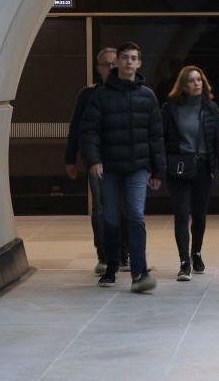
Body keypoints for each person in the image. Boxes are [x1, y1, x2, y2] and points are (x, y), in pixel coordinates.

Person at [81, 42, 165, 292]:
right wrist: (94, 160)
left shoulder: (148, 96)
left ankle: (140, 271)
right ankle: (111, 267)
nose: (129, 62)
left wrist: (158, 171)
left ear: (139, 63)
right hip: (109, 168)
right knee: (110, 218)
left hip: (137, 167)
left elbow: (156, 136)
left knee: (136, 216)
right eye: (125, 58)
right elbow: (90, 132)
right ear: (117, 62)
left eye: (134, 58)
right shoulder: (101, 95)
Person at [64, 47, 131, 275]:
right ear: (99, 68)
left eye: (116, 64)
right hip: (97, 159)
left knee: (126, 207)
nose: (112, 68)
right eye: (107, 65)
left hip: (124, 158)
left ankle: (123, 254)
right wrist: (70, 159)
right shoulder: (88, 95)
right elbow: (77, 129)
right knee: (101, 207)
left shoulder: (129, 92)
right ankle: (103, 254)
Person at [162, 66, 219, 281]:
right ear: (183, 85)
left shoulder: (211, 108)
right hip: (179, 166)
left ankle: (197, 253)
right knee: (182, 214)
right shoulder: (171, 108)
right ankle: (184, 262)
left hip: (203, 167)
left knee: (199, 216)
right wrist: (158, 166)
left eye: (199, 80)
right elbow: (161, 139)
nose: (196, 84)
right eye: (191, 81)